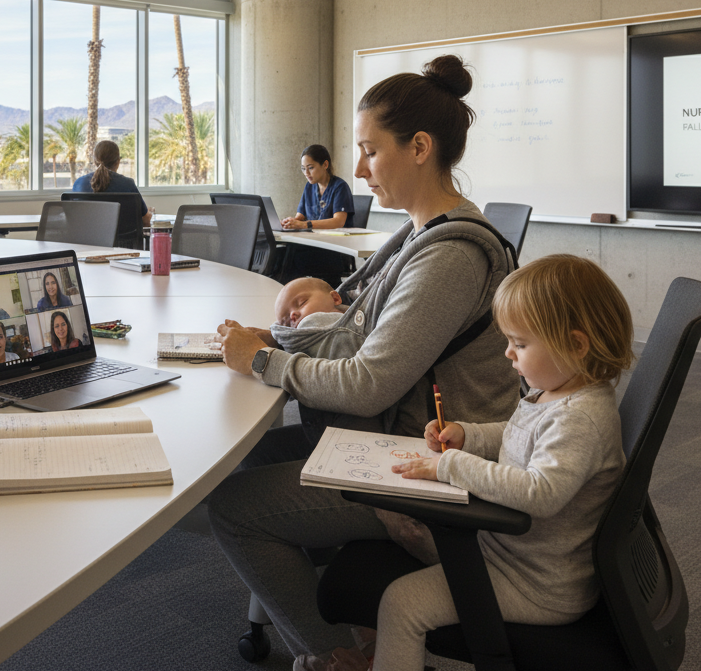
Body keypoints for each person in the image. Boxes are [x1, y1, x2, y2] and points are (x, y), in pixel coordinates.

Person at [207, 56, 522, 666]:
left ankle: (332, 658)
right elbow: (356, 318)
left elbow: (368, 384)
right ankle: (357, 623)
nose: (357, 170)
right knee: (245, 458)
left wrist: (263, 363)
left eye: (370, 151)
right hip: (393, 439)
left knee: (234, 510)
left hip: (424, 464)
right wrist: (282, 334)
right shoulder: (418, 231)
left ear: (420, 148)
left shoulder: (450, 255)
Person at [351, 254, 634, 671]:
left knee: (402, 603)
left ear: (576, 345)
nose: (508, 354)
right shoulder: (556, 391)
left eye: (520, 344)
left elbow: (539, 493)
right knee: (401, 529)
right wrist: (468, 434)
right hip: (505, 550)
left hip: (535, 582)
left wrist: (450, 466)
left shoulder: (581, 419)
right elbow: (518, 435)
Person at [71, 140, 153, 226]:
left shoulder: (79, 183)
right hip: (122, 239)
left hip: (86, 239)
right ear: (118, 162)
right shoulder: (127, 184)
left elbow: (73, 218)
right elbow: (145, 221)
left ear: (95, 161)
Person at [282, 144, 353, 231]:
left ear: (325, 165)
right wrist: (290, 222)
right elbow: (300, 216)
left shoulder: (340, 187)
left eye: (310, 168)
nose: (306, 173)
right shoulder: (309, 186)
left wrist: (305, 224)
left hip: (335, 240)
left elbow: (338, 222)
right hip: (314, 237)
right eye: (303, 169)